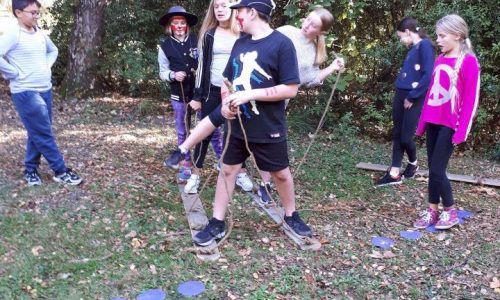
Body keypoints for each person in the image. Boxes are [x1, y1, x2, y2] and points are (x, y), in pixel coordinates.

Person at [164, 7, 345, 200]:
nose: (306, 25)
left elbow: (307, 79)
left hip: (271, 104)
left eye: (313, 25)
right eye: (307, 20)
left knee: (264, 147)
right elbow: (257, 46)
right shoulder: (285, 32)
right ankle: (183, 149)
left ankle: (266, 186)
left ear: (322, 32)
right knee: (215, 116)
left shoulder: (311, 53)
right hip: (244, 92)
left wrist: (333, 68)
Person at [193, 0, 312, 246]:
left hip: (268, 126)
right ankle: (216, 221)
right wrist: (226, 101)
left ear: (253, 12)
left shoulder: (281, 44)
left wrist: (249, 95)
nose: (236, 17)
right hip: (236, 126)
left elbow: (291, 88)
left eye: (239, 12)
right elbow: (227, 80)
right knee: (227, 171)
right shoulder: (241, 42)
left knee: (280, 174)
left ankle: (291, 215)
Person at [0, 0, 82, 186]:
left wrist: (46, 65)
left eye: (38, 13)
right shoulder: (13, 34)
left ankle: (30, 170)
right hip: (26, 91)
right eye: (32, 13)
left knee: (37, 131)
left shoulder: (39, 33)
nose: (36, 16)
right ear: (19, 13)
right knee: (43, 132)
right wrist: (12, 73)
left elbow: (53, 50)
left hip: (45, 88)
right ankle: (61, 171)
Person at [180, 0, 254, 194]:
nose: (220, 10)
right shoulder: (209, 34)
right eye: (216, 6)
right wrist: (197, 96)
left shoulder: (244, 32)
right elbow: (203, 66)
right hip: (212, 90)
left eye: (224, 5)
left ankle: (240, 173)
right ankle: (195, 175)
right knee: (205, 134)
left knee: (236, 133)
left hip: (236, 92)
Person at [413, 14, 480, 229]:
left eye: (442, 36)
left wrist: (462, 131)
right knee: (433, 167)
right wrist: (422, 123)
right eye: (438, 36)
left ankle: (450, 211)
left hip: (450, 125)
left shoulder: (469, 62)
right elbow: (432, 95)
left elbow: (471, 100)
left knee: (437, 169)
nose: (438, 40)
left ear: (457, 36)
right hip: (433, 120)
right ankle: (433, 210)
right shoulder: (440, 60)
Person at [375, 17, 434, 186]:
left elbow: (428, 76)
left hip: (412, 96)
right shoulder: (414, 48)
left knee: (406, 137)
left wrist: (412, 96)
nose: (401, 40)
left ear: (408, 31)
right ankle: (394, 173)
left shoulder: (425, 46)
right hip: (401, 93)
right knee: (397, 134)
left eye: (401, 36)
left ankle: (413, 163)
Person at [158, 6, 198, 181]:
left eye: (182, 22)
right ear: (170, 26)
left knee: (210, 127)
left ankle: (220, 161)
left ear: (187, 25)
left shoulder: (198, 41)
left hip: (198, 93)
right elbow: (162, 72)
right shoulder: (165, 47)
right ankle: (185, 163)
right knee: (183, 129)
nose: (180, 26)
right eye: (176, 23)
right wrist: (173, 75)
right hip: (178, 94)